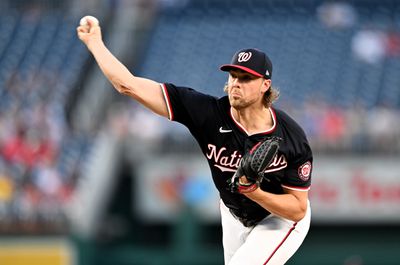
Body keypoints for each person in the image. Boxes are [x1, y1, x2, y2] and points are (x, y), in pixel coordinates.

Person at [77, 18, 313, 265]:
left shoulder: (290, 136)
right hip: (233, 214)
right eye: (233, 75)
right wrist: (95, 43)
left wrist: (253, 191)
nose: (235, 84)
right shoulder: (207, 112)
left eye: (245, 78)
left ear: (265, 85)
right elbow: (128, 85)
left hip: (279, 219)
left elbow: (297, 209)